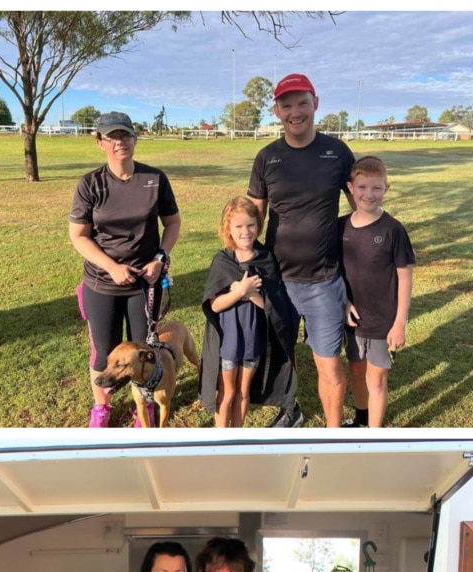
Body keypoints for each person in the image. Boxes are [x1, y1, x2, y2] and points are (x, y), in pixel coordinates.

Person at [248, 73, 356, 428]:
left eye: (303, 103)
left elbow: (361, 210)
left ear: (316, 104)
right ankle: (289, 410)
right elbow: (254, 217)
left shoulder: (337, 152)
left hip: (324, 281)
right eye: (287, 105)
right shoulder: (267, 158)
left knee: (329, 362)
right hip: (278, 280)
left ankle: (334, 431)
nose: (296, 112)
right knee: (282, 355)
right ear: (277, 110)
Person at [69, 111, 181, 427]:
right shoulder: (90, 184)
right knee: (104, 351)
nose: (120, 142)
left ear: (135, 139)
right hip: (101, 283)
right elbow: (78, 235)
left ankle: (142, 402)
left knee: (143, 349)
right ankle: (102, 407)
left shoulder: (155, 178)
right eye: (112, 137)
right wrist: (111, 266)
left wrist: (160, 257)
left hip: (144, 285)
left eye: (126, 135)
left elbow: (172, 223)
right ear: (100, 142)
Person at [200, 196, 298, 428]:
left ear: (258, 225)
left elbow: (275, 307)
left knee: (243, 391)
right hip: (229, 342)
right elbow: (213, 305)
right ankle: (221, 439)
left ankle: (238, 436)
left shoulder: (266, 259)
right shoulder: (223, 260)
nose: (246, 231)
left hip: (253, 340)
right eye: (239, 226)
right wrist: (238, 292)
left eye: (251, 225)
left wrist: (251, 294)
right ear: (228, 230)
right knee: (227, 392)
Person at [341, 156, 415, 428]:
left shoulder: (393, 230)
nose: (368, 194)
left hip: (383, 321)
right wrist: (344, 301)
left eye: (376, 188)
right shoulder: (342, 226)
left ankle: (374, 433)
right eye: (362, 187)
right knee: (357, 371)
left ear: (387, 188)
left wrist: (399, 323)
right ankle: (361, 418)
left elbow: (405, 278)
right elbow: (338, 272)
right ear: (350, 187)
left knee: (376, 379)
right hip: (353, 319)